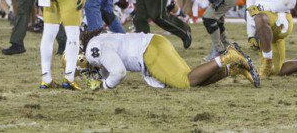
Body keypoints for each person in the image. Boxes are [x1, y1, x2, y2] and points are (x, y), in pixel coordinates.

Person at [82, 29, 259, 90]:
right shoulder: (101, 40)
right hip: (155, 43)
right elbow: (109, 68)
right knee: (194, 80)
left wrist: (105, 87)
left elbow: (119, 72)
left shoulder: (92, 49)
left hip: (149, 51)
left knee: (185, 82)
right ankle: (233, 69)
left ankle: (228, 56)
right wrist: (102, 79)